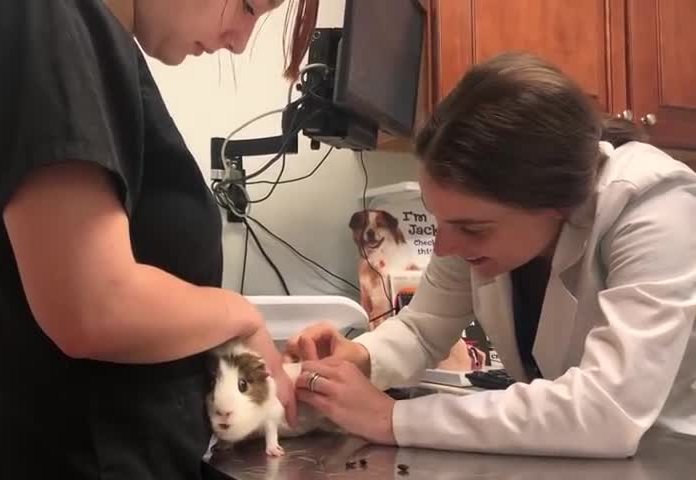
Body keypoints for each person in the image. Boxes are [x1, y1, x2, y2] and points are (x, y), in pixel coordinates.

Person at [0, 0, 319, 478]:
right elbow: (94, 307)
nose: (239, 40)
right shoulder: (44, 18)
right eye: (249, 6)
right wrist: (240, 316)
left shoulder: (93, 43)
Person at [284, 51, 696, 459]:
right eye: (438, 218)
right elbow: (424, 329)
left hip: (670, 456)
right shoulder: (473, 220)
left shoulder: (655, 206)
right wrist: (360, 358)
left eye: (472, 229)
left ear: (556, 204)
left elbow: (607, 410)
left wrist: (393, 418)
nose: (444, 247)